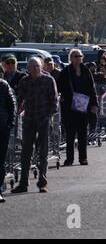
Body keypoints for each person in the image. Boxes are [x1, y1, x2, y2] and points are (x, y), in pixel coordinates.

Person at [11, 58, 58, 194]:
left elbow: (54, 101)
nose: (36, 68)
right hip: (29, 120)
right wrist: (17, 111)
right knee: (26, 152)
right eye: (33, 67)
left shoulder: (48, 80)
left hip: (44, 119)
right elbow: (20, 99)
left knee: (43, 152)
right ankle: (23, 183)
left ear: (41, 66)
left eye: (37, 66)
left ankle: (42, 183)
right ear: (28, 69)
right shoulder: (24, 81)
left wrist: (48, 116)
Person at [58, 50, 99, 167]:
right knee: (70, 134)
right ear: (70, 58)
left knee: (82, 133)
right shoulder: (66, 71)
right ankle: (69, 159)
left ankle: (83, 158)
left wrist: (94, 104)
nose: (78, 58)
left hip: (83, 105)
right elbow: (59, 86)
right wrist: (62, 97)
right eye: (75, 56)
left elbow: (92, 88)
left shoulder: (86, 71)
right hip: (69, 107)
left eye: (80, 56)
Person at [0, 66, 16, 203]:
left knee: (0, 160)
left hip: (2, 127)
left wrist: (10, 123)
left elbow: (12, 105)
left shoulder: (3, 85)